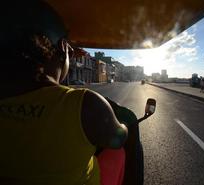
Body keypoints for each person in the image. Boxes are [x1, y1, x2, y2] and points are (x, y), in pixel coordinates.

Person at [0, 1, 135, 185]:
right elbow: (118, 139)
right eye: (71, 52)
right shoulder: (85, 103)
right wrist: (126, 126)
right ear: (63, 48)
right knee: (119, 151)